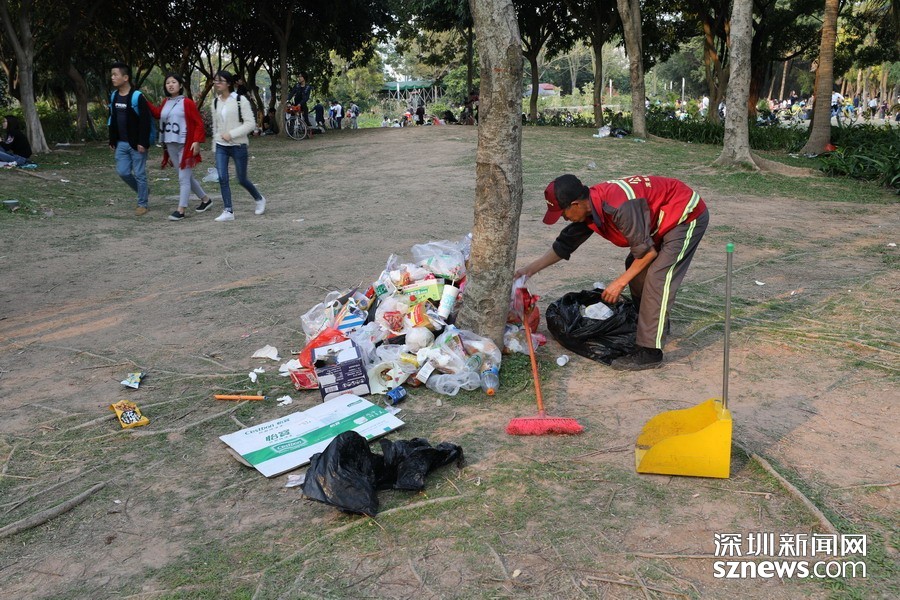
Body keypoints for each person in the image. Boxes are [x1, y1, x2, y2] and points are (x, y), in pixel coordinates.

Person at [515, 174, 709, 371]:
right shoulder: (590, 208)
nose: (564, 218)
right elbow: (564, 245)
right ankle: (653, 324)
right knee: (634, 265)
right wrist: (528, 271)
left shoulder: (619, 207)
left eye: (563, 213)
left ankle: (650, 353)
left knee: (658, 277)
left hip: (685, 215)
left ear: (575, 204)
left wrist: (619, 283)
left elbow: (648, 253)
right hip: (661, 220)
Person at [146, 73, 211, 221]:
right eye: (168, 83)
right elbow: (157, 114)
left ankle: (181, 210)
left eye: (174, 82)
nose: (170, 85)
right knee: (186, 176)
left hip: (185, 144)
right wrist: (144, 100)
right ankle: (206, 199)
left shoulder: (187, 102)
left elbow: (198, 123)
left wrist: (197, 141)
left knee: (183, 178)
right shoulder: (166, 102)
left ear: (180, 85)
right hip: (170, 143)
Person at [210, 70, 266, 222]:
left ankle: (259, 198)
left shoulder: (240, 100)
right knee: (222, 178)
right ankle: (228, 210)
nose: (217, 83)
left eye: (220, 81)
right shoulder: (215, 102)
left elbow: (250, 124)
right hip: (221, 146)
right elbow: (215, 127)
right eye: (215, 81)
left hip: (238, 145)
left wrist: (232, 134)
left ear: (228, 83)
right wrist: (215, 146)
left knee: (241, 179)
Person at [108, 61, 152, 216]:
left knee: (139, 174)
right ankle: (143, 190)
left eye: (115, 75)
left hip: (137, 144)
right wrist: (112, 139)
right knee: (123, 172)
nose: (112, 77)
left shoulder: (137, 97)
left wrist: (143, 142)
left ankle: (142, 204)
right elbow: (112, 118)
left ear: (125, 77)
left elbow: (145, 122)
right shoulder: (114, 96)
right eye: (112, 75)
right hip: (121, 143)